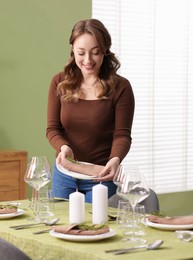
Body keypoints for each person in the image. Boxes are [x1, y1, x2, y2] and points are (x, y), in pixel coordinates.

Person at [46, 19, 135, 203]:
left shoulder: (121, 87)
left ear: (104, 51)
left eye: (95, 53)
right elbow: (53, 128)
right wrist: (64, 147)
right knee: (60, 228)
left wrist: (115, 159)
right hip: (64, 174)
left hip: (100, 176)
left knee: (95, 229)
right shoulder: (59, 82)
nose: (88, 60)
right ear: (73, 50)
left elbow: (122, 135)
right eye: (81, 53)